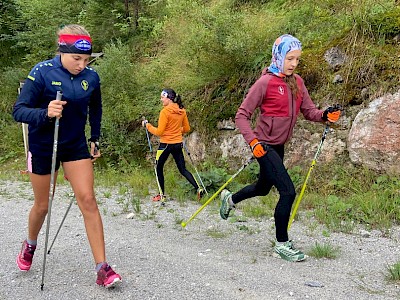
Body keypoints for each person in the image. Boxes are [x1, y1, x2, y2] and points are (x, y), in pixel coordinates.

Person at [12, 24, 121, 287]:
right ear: (62, 51)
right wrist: (45, 112)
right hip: (43, 146)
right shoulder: (42, 73)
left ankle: (102, 267)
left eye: (86, 59)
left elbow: (96, 108)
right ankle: (30, 243)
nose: (82, 64)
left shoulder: (91, 77)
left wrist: (95, 137)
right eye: (76, 58)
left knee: (88, 200)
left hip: (74, 145)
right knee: (42, 206)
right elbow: (19, 111)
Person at [219, 34, 341, 262]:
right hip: (263, 146)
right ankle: (282, 243)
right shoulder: (264, 83)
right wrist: (253, 142)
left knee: (263, 187)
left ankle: (230, 200)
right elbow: (242, 116)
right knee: (287, 191)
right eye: (290, 58)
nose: (294, 64)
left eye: (297, 59)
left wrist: (325, 115)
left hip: (279, 145)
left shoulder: (298, 82)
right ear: (278, 56)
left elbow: (309, 112)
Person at [142, 89, 204, 201]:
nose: (161, 99)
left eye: (162, 97)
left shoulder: (165, 112)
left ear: (168, 98)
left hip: (165, 144)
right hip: (177, 144)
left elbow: (159, 132)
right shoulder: (182, 110)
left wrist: (147, 125)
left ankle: (161, 196)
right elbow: (187, 129)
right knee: (182, 169)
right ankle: (199, 189)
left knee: (158, 167)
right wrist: (175, 130)